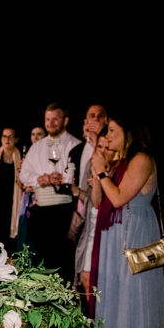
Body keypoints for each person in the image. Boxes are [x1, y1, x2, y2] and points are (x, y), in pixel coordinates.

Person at [90, 114, 164, 328]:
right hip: (115, 236)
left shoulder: (142, 159)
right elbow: (100, 202)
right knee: (113, 299)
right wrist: (99, 174)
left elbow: (121, 197)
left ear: (129, 132)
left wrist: (101, 173)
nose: (106, 136)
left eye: (112, 130)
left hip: (136, 236)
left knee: (134, 302)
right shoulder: (118, 162)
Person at [18, 103, 81, 282]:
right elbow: (24, 174)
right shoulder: (36, 147)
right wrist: (40, 178)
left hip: (64, 210)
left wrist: (64, 178)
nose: (51, 123)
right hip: (41, 212)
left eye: (55, 119)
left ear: (65, 120)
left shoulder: (76, 145)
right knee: (41, 262)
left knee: (63, 262)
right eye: (47, 119)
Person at [69, 104, 110, 291]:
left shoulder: (110, 151)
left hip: (105, 219)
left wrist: (97, 140)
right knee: (83, 276)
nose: (95, 120)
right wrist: (73, 189)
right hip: (82, 216)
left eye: (100, 116)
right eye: (91, 116)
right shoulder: (76, 150)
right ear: (85, 121)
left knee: (97, 276)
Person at [73, 129, 112, 312]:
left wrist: (99, 179)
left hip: (108, 228)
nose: (103, 152)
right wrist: (74, 189)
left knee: (101, 281)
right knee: (86, 277)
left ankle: (103, 324)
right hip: (90, 226)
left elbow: (100, 202)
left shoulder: (117, 167)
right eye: (99, 147)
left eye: (107, 147)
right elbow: (90, 200)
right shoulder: (92, 163)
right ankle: (94, 323)